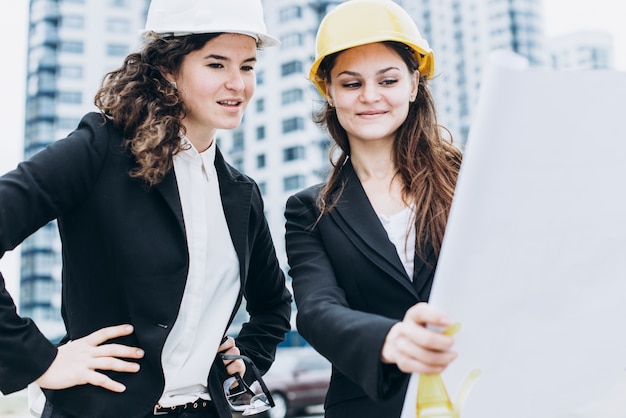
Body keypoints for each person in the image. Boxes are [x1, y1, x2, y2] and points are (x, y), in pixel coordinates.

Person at [0, 0, 292, 417]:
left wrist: (245, 359)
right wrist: (39, 361)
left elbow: (274, 304)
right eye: (216, 64)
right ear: (168, 70)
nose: (237, 84)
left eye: (247, 66)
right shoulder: (100, 150)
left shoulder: (240, 192)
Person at [284, 0, 463, 416]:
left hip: (476, 392)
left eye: (387, 80)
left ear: (414, 85)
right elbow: (315, 310)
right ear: (329, 91)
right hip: (370, 405)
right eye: (351, 84)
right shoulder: (310, 210)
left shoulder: (468, 179)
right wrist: (389, 339)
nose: (370, 97)